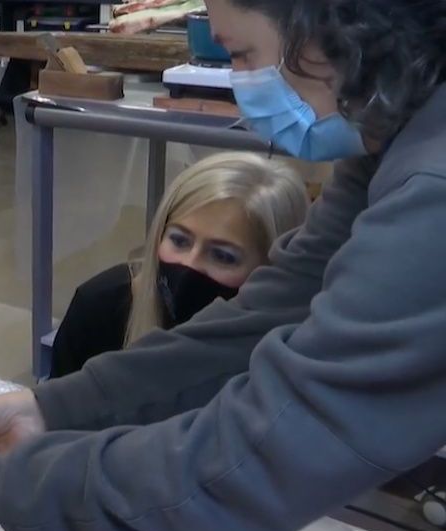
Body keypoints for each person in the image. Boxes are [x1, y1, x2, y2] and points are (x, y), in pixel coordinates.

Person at [0, 0, 446, 531]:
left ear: (333, 27)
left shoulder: (430, 191)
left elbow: (264, 458)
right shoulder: (390, 133)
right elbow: (266, 314)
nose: (241, 84)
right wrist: (54, 409)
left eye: (240, 54)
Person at [50, 153, 309, 378]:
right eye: (179, 240)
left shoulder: (300, 351)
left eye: (222, 256)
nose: (189, 264)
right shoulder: (100, 307)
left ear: (271, 268)